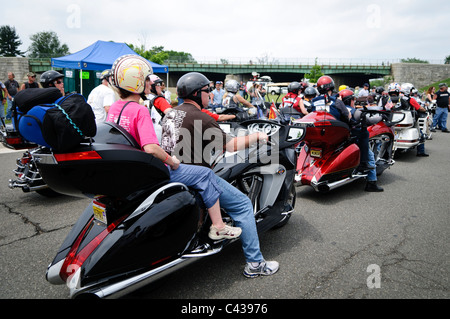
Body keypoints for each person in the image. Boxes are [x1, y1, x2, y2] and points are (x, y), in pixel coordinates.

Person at [106, 54, 241, 241]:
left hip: (126, 168)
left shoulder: (115, 107)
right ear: (134, 82)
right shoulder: (139, 109)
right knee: (206, 174)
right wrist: (172, 161)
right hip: (147, 168)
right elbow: (151, 148)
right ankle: (218, 226)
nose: (149, 83)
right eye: (146, 79)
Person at [161, 71, 279, 278]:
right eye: (207, 91)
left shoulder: (171, 113)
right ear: (198, 93)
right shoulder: (201, 117)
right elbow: (232, 145)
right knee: (242, 204)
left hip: (170, 170)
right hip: (193, 175)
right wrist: (258, 136)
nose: (210, 95)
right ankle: (255, 263)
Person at [312, 75, 374, 172]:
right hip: (335, 134)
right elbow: (347, 116)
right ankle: (363, 162)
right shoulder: (336, 101)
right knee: (364, 133)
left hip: (318, 133)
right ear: (332, 87)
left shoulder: (314, 102)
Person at [339, 89, 383, 192]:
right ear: (351, 100)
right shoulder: (355, 112)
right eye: (353, 99)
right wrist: (381, 117)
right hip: (355, 139)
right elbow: (369, 121)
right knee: (370, 156)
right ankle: (371, 183)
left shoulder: (338, 109)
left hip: (342, 138)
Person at [383, 82, 429, 156]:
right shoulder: (409, 99)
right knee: (420, 134)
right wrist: (424, 109)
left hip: (390, 121)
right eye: (411, 90)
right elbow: (419, 108)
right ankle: (421, 151)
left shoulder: (386, 99)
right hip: (406, 120)